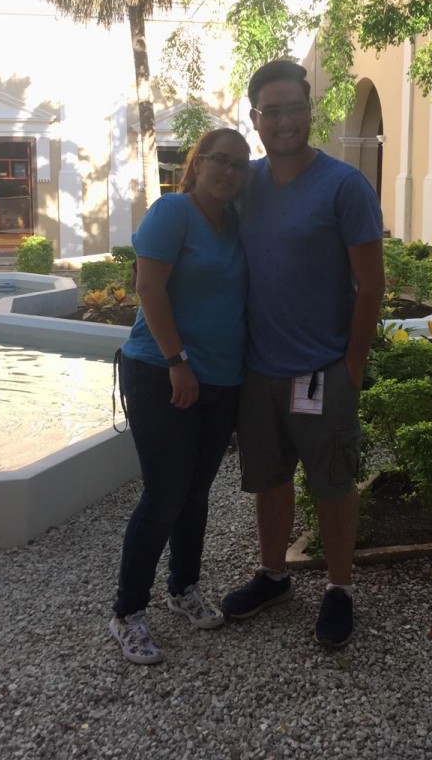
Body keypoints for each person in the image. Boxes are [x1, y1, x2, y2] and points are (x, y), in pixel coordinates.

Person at [221, 60, 385, 649]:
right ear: (255, 117)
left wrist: (352, 367)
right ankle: (273, 576)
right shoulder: (245, 183)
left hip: (321, 371)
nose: (285, 121)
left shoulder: (344, 186)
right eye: (273, 111)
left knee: (332, 484)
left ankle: (339, 589)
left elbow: (371, 284)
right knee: (269, 481)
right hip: (259, 371)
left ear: (310, 110)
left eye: (295, 108)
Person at [109, 128, 250, 665]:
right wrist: (177, 362)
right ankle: (127, 611)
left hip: (221, 380)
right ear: (197, 163)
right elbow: (148, 287)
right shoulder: (173, 212)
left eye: (239, 164)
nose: (229, 171)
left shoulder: (235, 224)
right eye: (220, 160)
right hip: (162, 373)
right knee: (165, 495)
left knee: (196, 493)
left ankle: (183, 586)